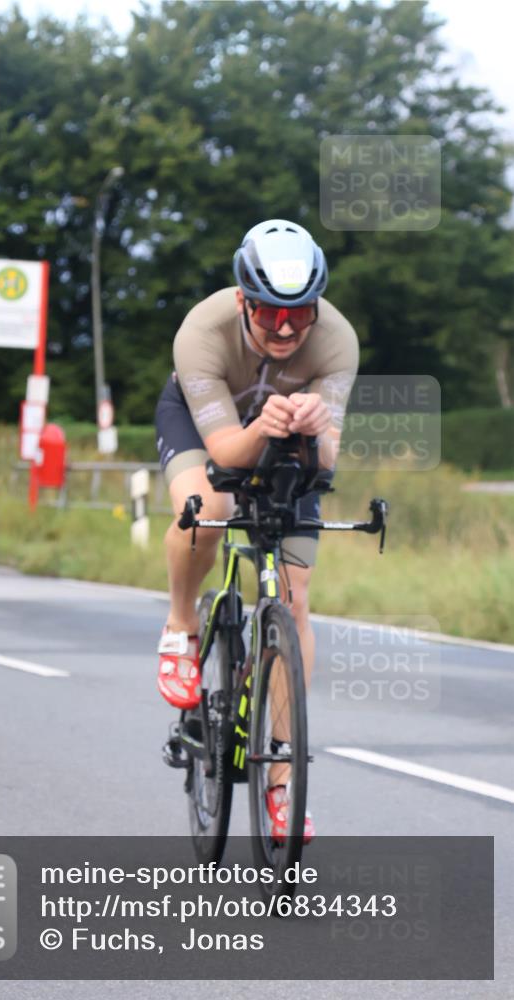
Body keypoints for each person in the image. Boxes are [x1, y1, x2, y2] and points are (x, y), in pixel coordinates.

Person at [154, 219, 359, 842]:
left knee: (294, 598)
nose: (288, 328)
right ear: (244, 299)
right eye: (270, 313)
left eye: (301, 313)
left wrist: (318, 430)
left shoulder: (338, 341)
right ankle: (182, 624)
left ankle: (279, 781)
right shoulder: (201, 332)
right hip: (208, 426)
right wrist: (267, 425)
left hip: (287, 439)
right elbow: (224, 449)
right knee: (208, 506)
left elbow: (326, 462)